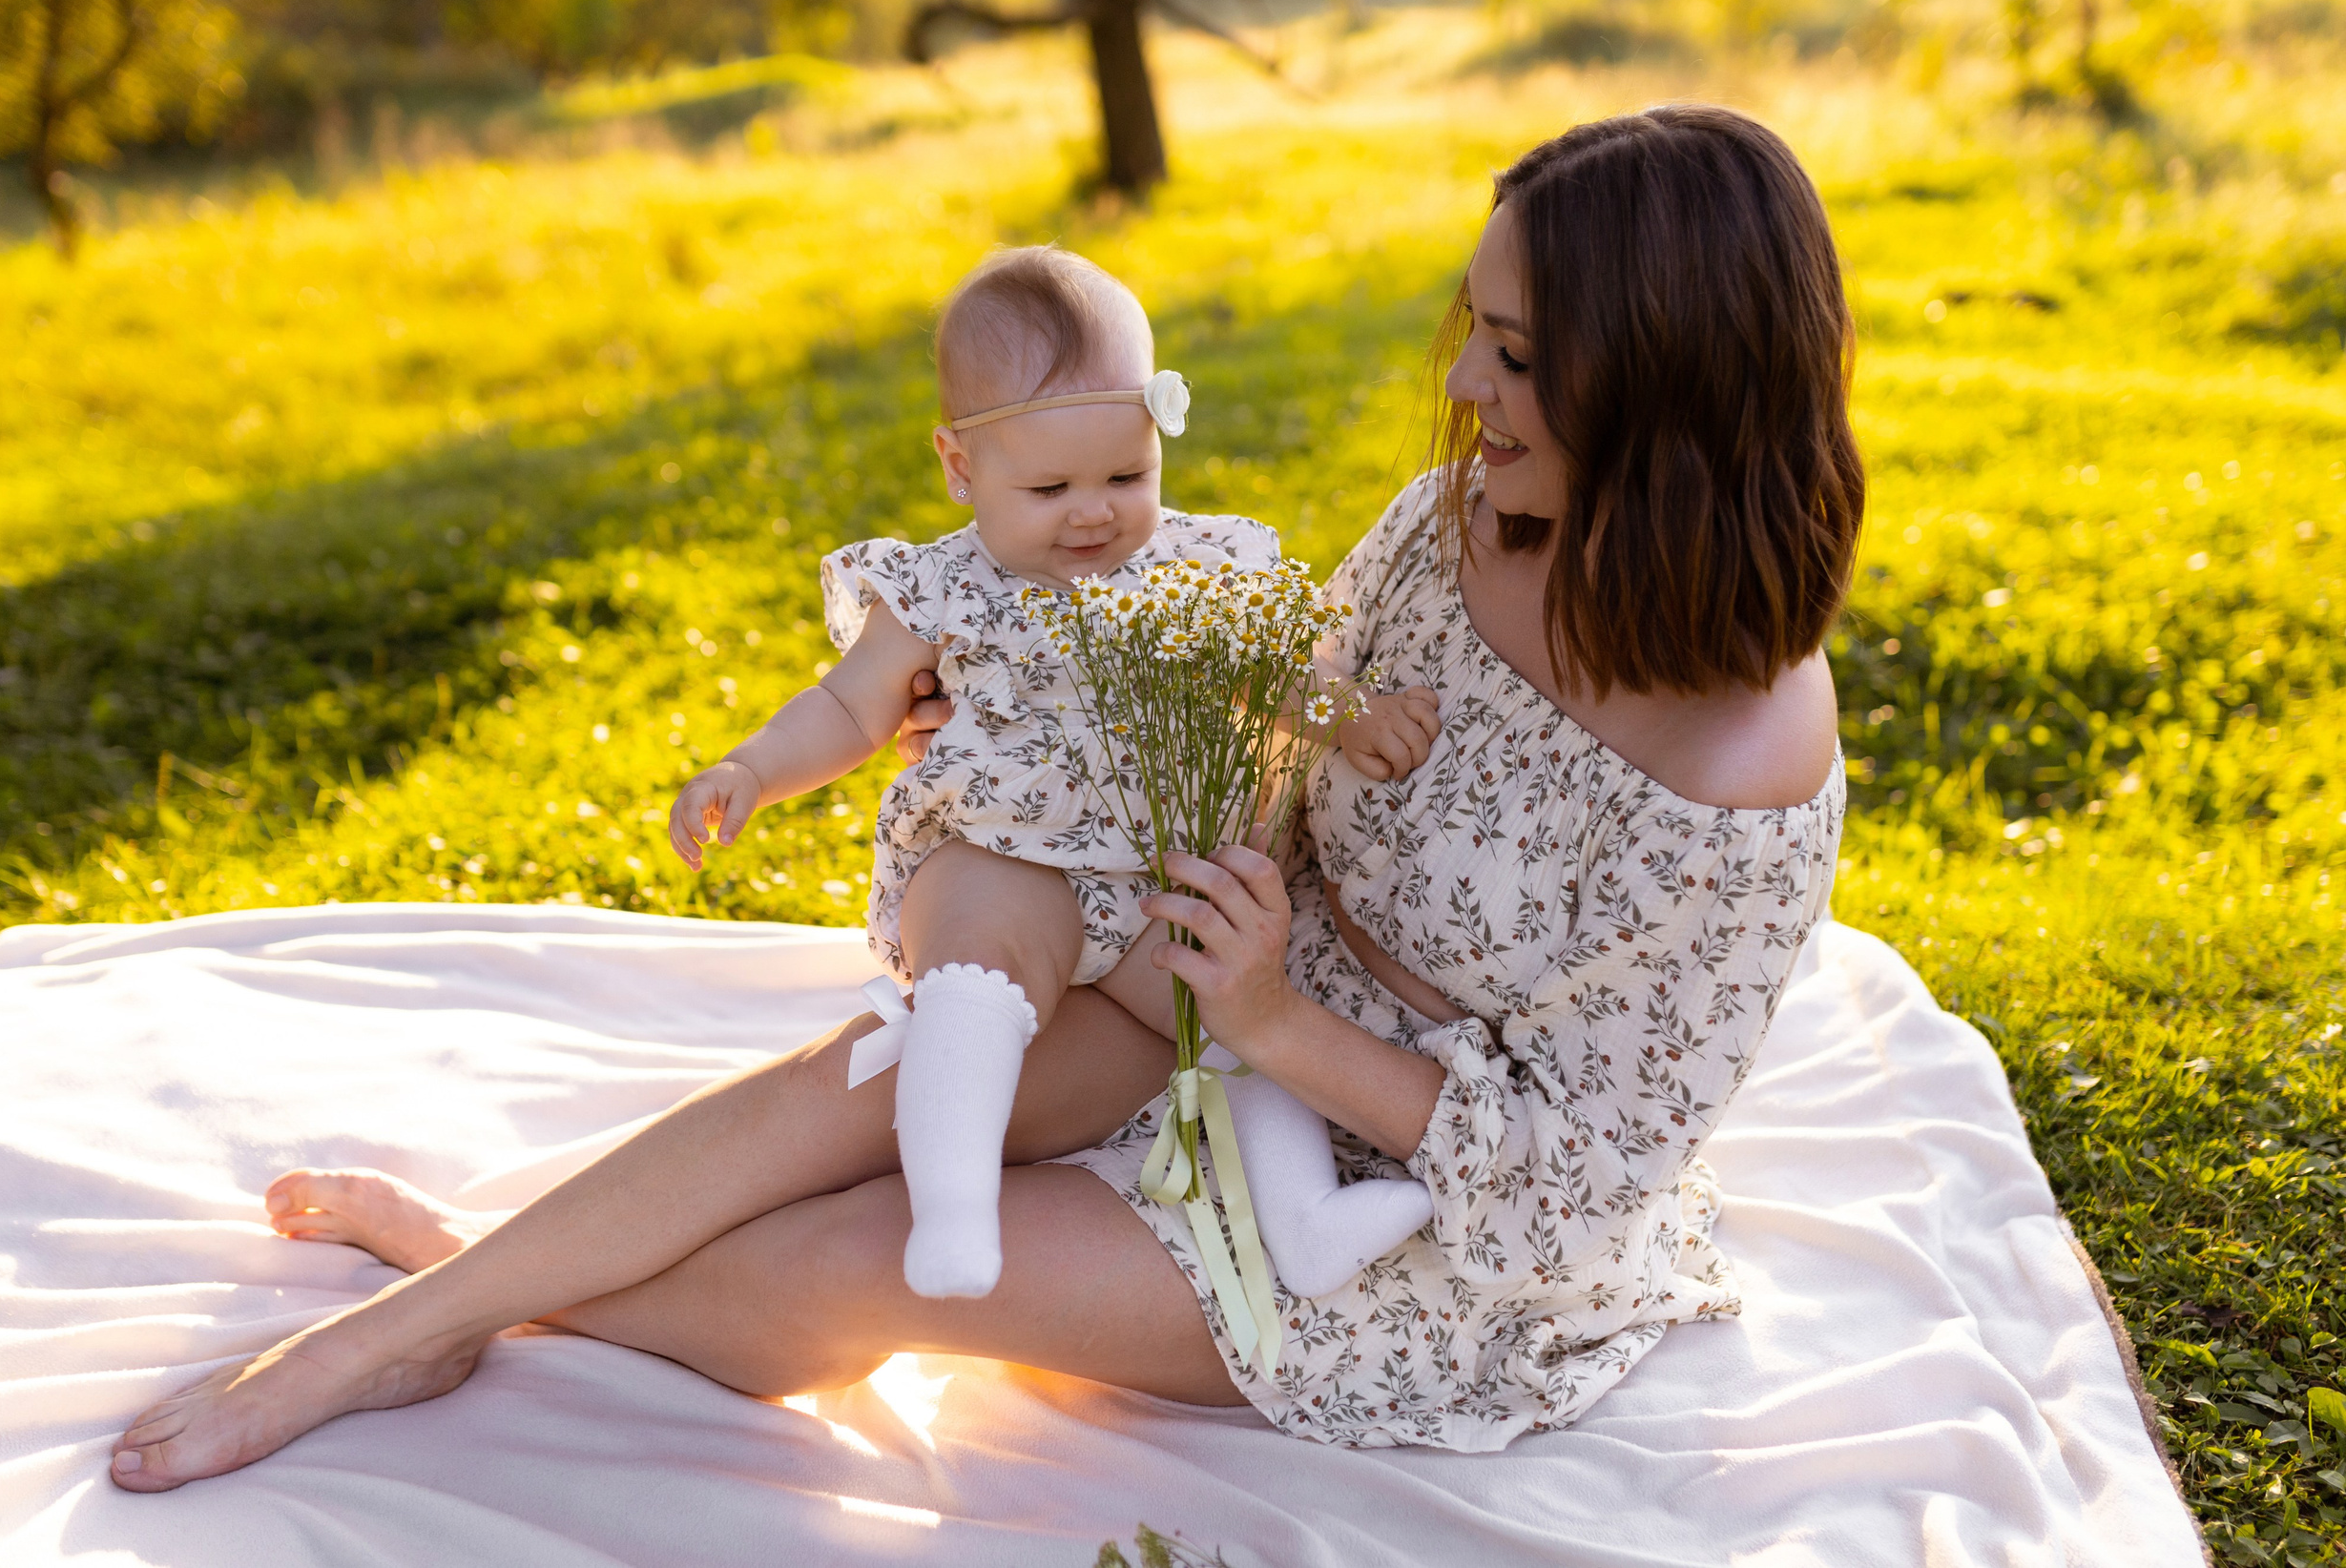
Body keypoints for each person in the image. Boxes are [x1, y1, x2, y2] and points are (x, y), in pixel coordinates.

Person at [108, 102, 1860, 1488]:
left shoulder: (1742, 769)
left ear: (1667, 386)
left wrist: (1275, 1020)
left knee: (856, 1267)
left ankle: (463, 1279)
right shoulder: (1466, 514)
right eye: (1476, 330)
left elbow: (1585, 1181)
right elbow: (1284, 704)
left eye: (1521, 356)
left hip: (1417, 1212)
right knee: (848, 1090)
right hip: (1222, 979)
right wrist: (1037, 702)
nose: (1468, 387)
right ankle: (397, 1327)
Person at [665, 243, 1435, 1303]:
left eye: (1126, 477)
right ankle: (953, 1209)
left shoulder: (1195, 568)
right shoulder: (939, 587)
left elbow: (1279, 674)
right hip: (1002, 855)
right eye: (1049, 487)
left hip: (1150, 875)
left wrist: (1352, 715)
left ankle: (1303, 1220)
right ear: (959, 466)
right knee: (976, 972)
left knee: (1233, 1001)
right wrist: (751, 768)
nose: (1092, 513)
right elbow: (848, 706)